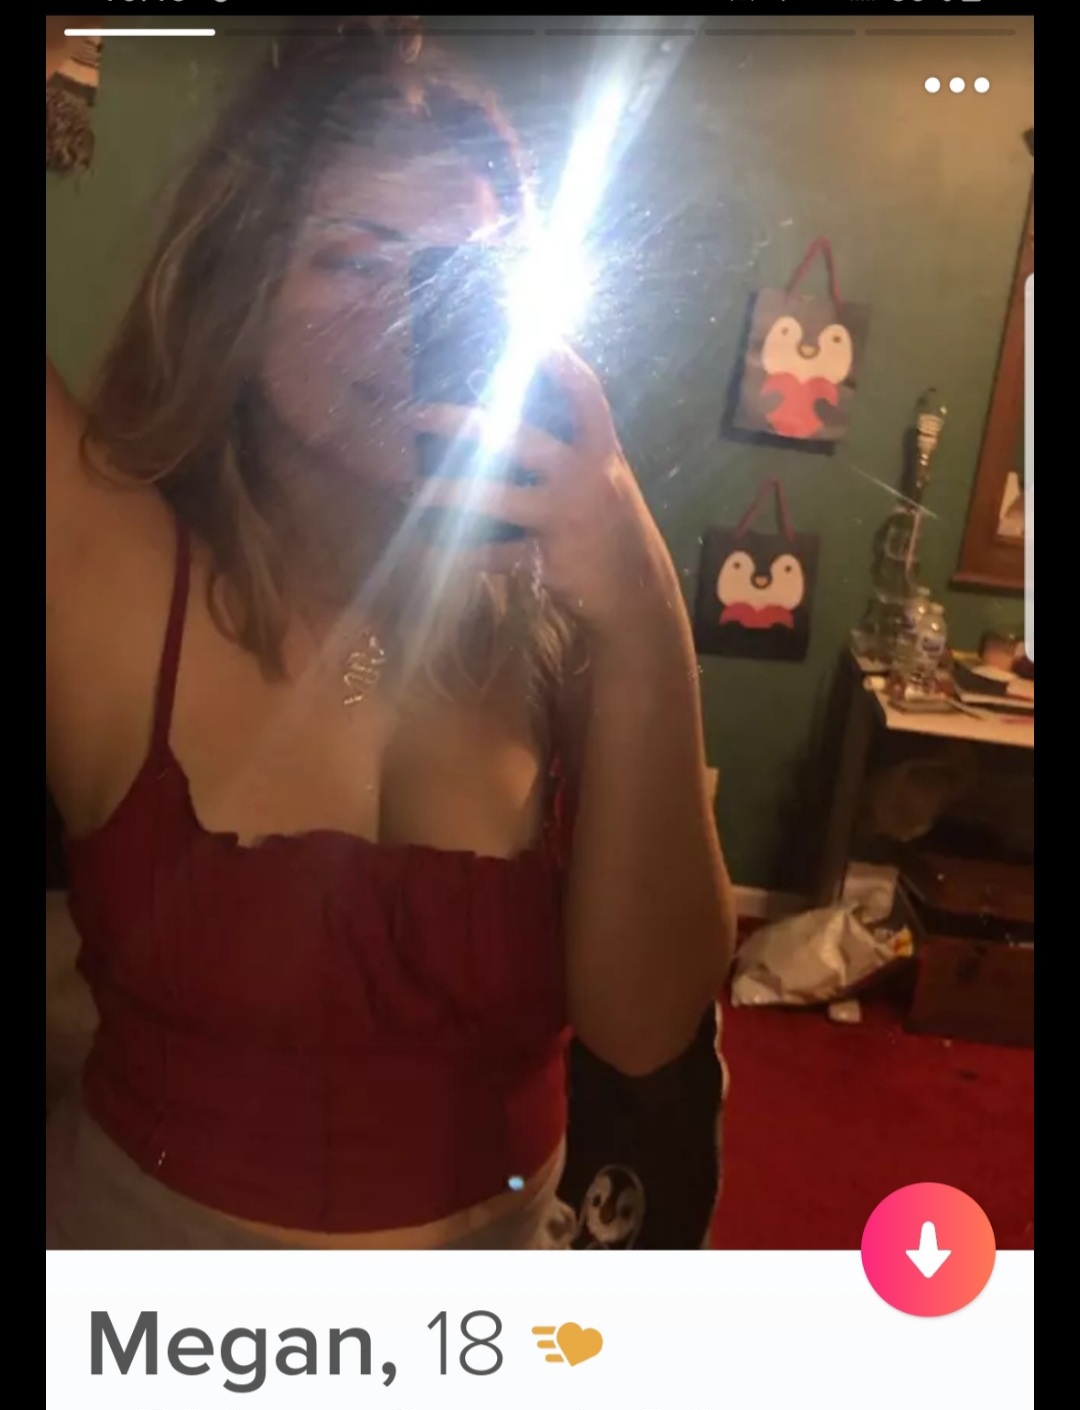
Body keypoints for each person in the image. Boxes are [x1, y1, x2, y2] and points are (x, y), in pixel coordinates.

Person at [45, 17, 735, 1249]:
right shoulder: (112, 558)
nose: (405, 321)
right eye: (350, 258)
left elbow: (646, 1029)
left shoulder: (565, 613)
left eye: (458, 276)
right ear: (237, 288)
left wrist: (642, 609)